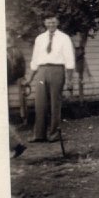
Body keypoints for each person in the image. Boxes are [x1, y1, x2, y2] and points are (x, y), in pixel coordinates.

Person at [24, 14, 76, 143]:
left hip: (57, 70)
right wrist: (30, 77)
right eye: (48, 22)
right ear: (44, 23)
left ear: (57, 22)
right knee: (40, 103)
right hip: (41, 71)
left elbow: (69, 59)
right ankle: (39, 135)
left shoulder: (64, 38)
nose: (51, 25)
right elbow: (35, 58)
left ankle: (54, 134)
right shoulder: (40, 38)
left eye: (53, 22)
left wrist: (69, 79)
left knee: (55, 104)